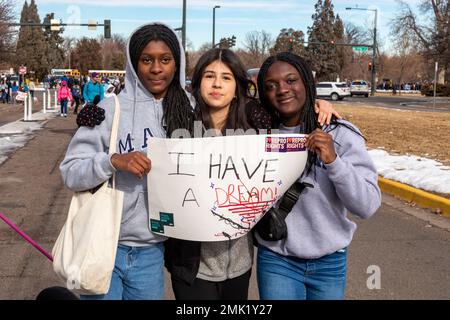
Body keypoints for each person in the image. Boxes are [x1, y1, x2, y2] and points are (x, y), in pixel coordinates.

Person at [59, 23, 195, 300]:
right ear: (134, 65)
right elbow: (70, 172)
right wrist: (112, 161)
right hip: (104, 245)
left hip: (152, 251)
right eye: (147, 60)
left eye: (165, 59)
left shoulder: (191, 109)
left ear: (177, 62)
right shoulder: (107, 110)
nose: (156, 68)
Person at [254, 52, 381, 300]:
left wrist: (334, 161)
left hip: (330, 263)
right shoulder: (258, 134)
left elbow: (368, 205)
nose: (282, 89)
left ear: (306, 83)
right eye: (271, 85)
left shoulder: (341, 134)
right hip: (277, 259)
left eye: (291, 80)